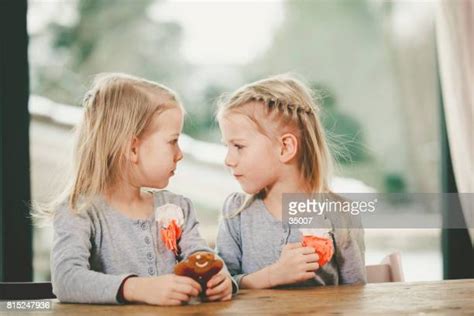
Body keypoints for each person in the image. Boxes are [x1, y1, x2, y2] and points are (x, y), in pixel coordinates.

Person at [34, 73, 234, 305]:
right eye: (172, 141)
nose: (179, 154)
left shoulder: (178, 207)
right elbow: (66, 280)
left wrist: (221, 279)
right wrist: (136, 288)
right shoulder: (78, 212)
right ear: (132, 148)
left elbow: (201, 257)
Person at [215, 74, 366, 289]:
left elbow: (356, 294)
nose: (228, 160)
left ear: (285, 147)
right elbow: (222, 287)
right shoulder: (235, 212)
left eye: (238, 146)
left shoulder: (339, 213)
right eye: (226, 147)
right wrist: (271, 276)